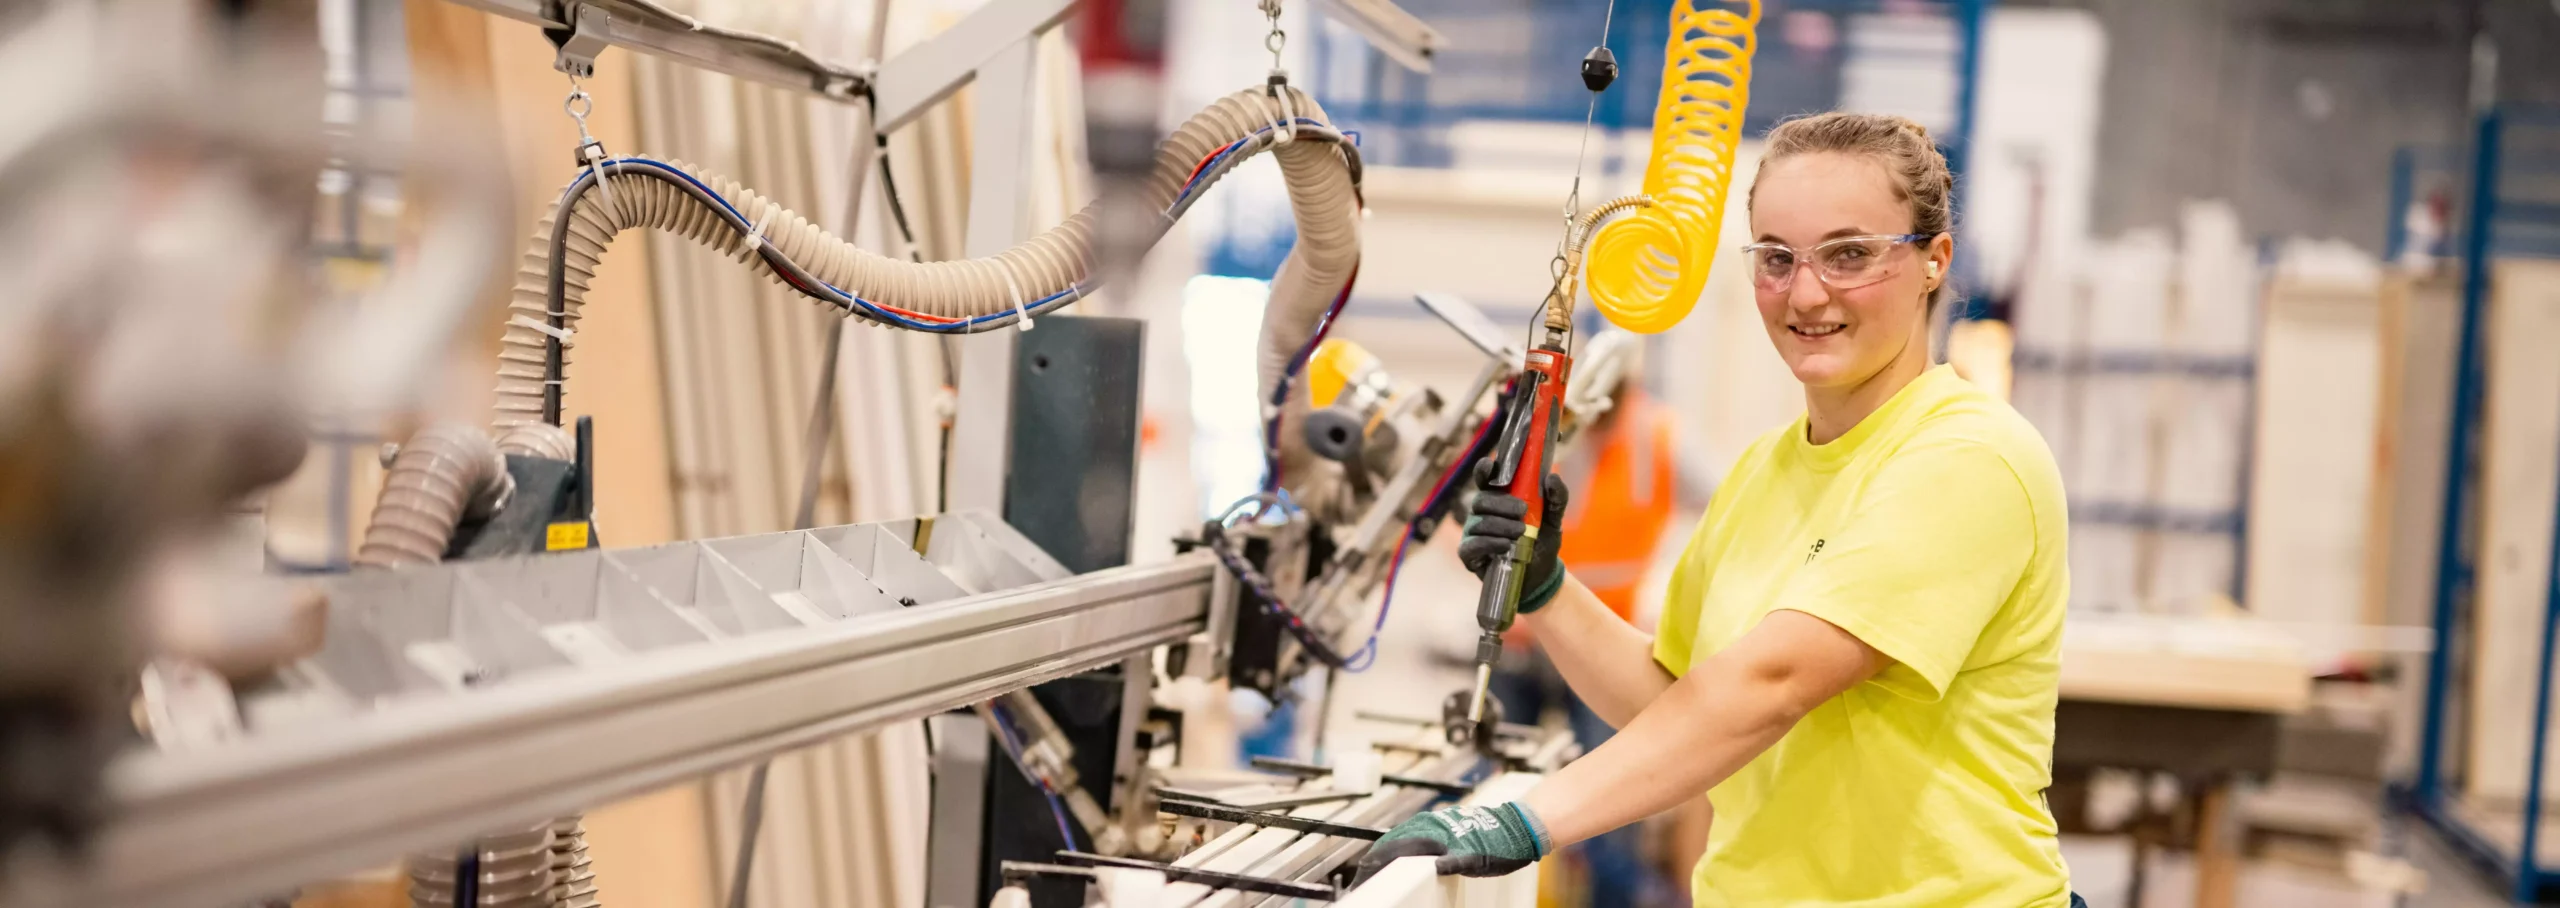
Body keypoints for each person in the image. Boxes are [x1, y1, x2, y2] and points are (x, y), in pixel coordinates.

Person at [1359, 112, 2081, 907]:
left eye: (1849, 254)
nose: (1806, 293)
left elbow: (1770, 684)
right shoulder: (1763, 471)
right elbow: (1676, 707)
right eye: (1777, 257)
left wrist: (1523, 820)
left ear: (1933, 261)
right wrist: (1545, 589)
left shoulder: (1969, 457)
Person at [1481, 330, 1679, 906]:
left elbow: (1730, 509)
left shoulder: (1657, 436)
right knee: (1488, 797)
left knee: (1610, 817)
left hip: (1605, 656)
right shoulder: (1535, 430)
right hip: (1521, 645)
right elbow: (1469, 513)